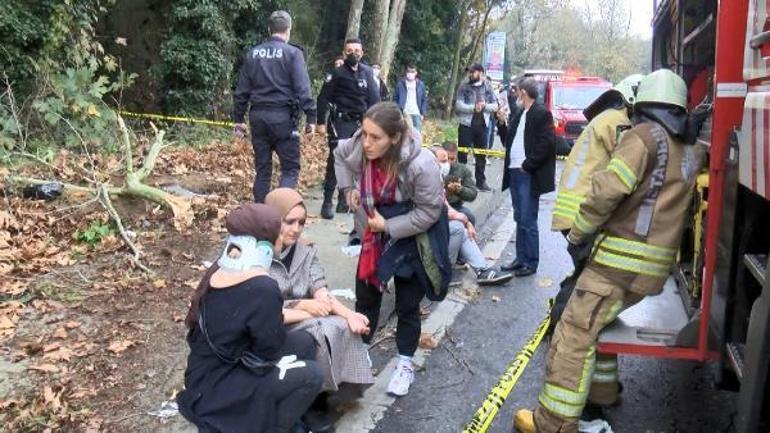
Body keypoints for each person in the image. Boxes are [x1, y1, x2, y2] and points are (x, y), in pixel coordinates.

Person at [513, 69, 704, 433]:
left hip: (617, 264)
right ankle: (601, 396)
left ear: (642, 104)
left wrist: (579, 234)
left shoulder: (643, 137)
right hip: (652, 271)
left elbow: (606, 191)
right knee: (598, 327)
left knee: (573, 334)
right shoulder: (691, 148)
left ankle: (551, 422)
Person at [334, 102, 450, 397]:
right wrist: (348, 189)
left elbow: (429, 213)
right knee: (365, 299)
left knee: (407, 306)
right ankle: (359, 358)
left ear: (395, 138)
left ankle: (405, 362)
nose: (366, 143)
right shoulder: (361, 145)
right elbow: (339, 155)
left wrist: (389, 226)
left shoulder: (421, 164)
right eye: (364, 134)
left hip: (410, 237)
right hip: (373, 237)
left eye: (375, 137)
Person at [177, 203, 322, 433]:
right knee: (313, 375)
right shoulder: (262, 287)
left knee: (305, 342)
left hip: (205, 369)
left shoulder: (218, 268)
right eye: (279, 233)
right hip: (222, 384)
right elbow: (268, 349)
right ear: (266, 244)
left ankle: (293, 420)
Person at [548, 74, 644, 334]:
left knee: (584, 273)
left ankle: (559, 323)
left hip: (573, 210)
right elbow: (628, 164)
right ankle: (561, 327)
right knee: (590, 280)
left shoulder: (605, 118)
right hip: (582, 211)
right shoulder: (619, 122)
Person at [232, 11, 316, 203]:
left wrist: (238, 120)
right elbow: (303, 89)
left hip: (258, 116)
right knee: (290, 168)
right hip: (283, 118)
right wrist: (311, 118)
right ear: (289, 29)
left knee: (262, 170)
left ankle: (261, 214)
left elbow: (241, 91)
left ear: (269, 29)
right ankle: (280, 211)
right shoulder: (294, 53)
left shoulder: (252, 53)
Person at [317, 38, 381, 220]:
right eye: (350, 50)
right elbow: (323, 98)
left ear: (362, 52)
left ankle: (345, 200)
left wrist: (376, 123)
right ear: (345, 53)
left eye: (357, 50)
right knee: (337, 159)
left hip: (362, 124)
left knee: (361, 160)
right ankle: (328, 200)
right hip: (340, 123)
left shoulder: (367, 73)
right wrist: (321, 122)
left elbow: (375, 100)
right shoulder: (336, 73)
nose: (354, 53)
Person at [431, 147, 513, 285]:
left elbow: (471, 195)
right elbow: (435, 209)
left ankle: (482, 269)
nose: (448, 164)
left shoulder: (460, 170)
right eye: (444, 160)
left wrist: (459, 190)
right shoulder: (426, 178)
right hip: (428, 222)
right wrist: (461, 219)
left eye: (451, 159)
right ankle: (444, 272)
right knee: (458, 226)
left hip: (449, 210)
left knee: (466, 220)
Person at [499, 78, 556, 278]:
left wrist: (528, 164)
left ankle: (531, 262)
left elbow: (547, 143)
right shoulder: (520, 113)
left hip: (527, 173)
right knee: (518, 217)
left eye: (516, 91)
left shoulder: (541, 113)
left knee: (528, 219)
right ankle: (520, 258)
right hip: (514, 171)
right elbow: (508, 139)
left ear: (523, 92)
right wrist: (501, 123)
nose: (514, 95)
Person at [455, 63, 499, 191]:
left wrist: (484, 106)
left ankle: (481, 181)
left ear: (480, 73)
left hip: (482, 126)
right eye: (469, 72)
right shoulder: (464, 87)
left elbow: (495, 105)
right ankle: (461, 180)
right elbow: (458, 105)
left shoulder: (488, 88)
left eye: (473, 72)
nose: (470, 74)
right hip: (466, 125)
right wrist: (473, 108)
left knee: (481, 155)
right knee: (462, 154)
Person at [439, 141, 478, 224]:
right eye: (446, 159)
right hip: (435, 207)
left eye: (452, 159)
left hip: (455, 206)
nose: (449, 162)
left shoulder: (462, 170)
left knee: (470, 217)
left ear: (456, 157)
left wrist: (460, 190)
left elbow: (473, 194)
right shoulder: (432, 167)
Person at [393, 65, 428, 132]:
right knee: (403, 133)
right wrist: (397, 110)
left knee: (417, 134)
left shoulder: (421, 84)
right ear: (406, 72)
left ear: (416, 73)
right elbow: (395, 98)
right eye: (408, 71)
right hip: (404, 112)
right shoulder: (400, 84)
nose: (410, 73)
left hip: (416, 113)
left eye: (412, 71)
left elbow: (424, 99)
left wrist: (423, 113)